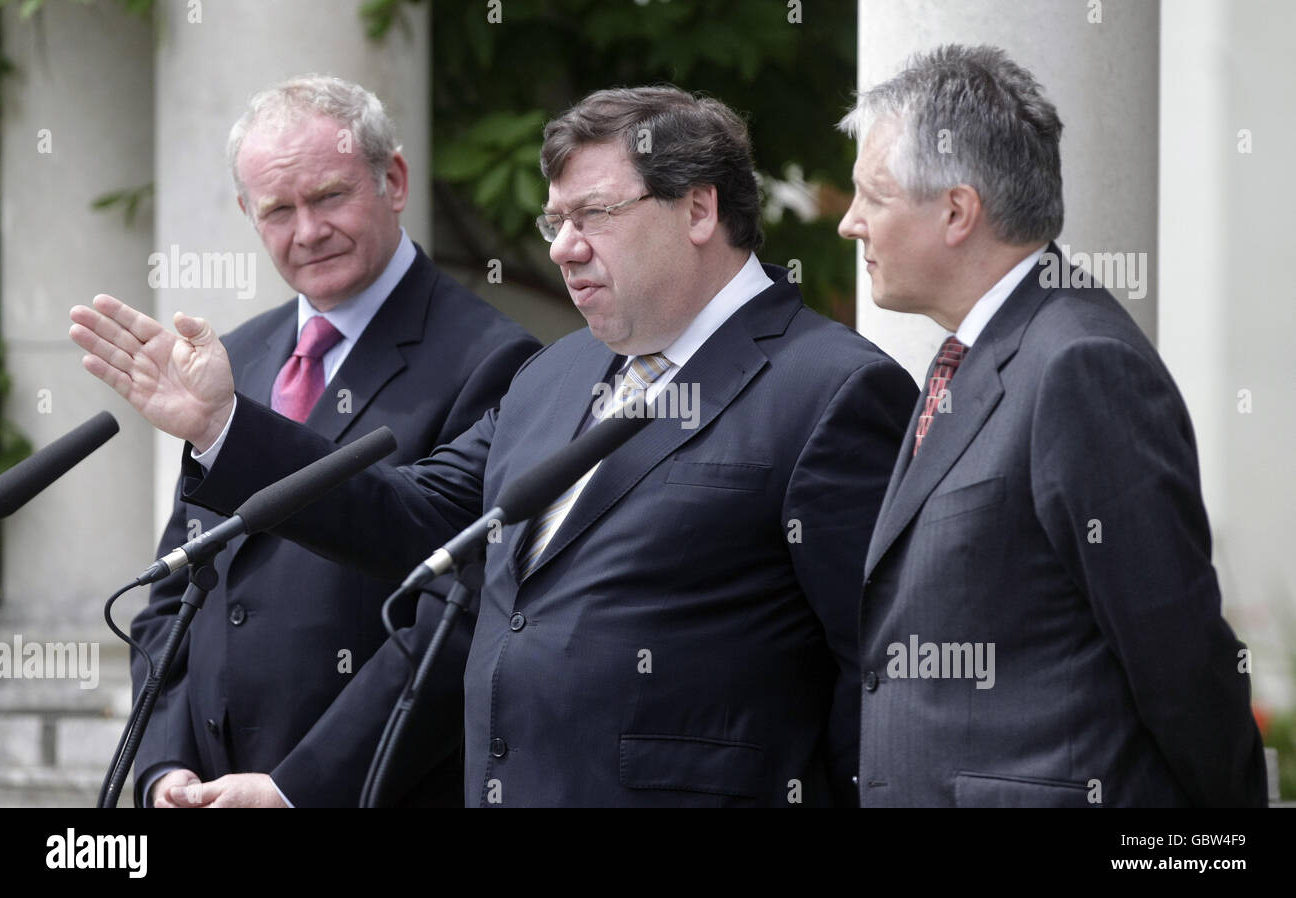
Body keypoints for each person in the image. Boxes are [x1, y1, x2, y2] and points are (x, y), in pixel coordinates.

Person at [71, 85, 917, 806]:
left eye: (594, 214)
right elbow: (415, 518)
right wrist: (225, 429)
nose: (562, 247)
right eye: (554, 220)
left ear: (699, 208)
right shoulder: (557, 375)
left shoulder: (833, 388)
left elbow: (877, 682)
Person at [91, 75, 539, 807]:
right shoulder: (237, 355)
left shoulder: (496, 360)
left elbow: (455, 619)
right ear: (247, 213)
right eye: (277, 210)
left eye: (330, 196)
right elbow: (179, 592)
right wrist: (163, 769)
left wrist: (295, 789)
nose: (307, 231)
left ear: (392, 180)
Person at [836, 45, 1267, 806]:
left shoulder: (1079, 363)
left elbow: (1177, 651)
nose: (849, 224)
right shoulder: (980, 355)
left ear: (957, 212)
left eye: (872, 196)